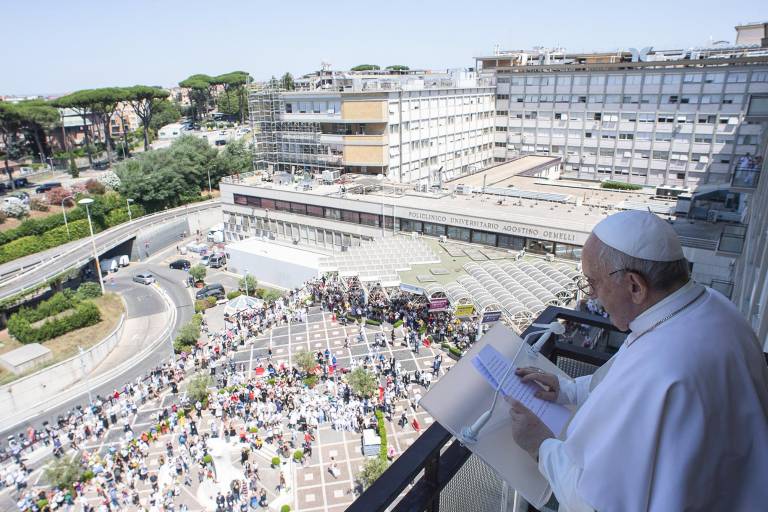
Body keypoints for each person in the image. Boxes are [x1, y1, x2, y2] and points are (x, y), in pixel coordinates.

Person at [507, 210, 768, 511]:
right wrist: (567, 391)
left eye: (593, 283)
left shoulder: (659, 366)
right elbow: (622, 381)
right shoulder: (713, 306)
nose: (591, 297)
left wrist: (540, 444)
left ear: (634, 286)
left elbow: (594, 503)